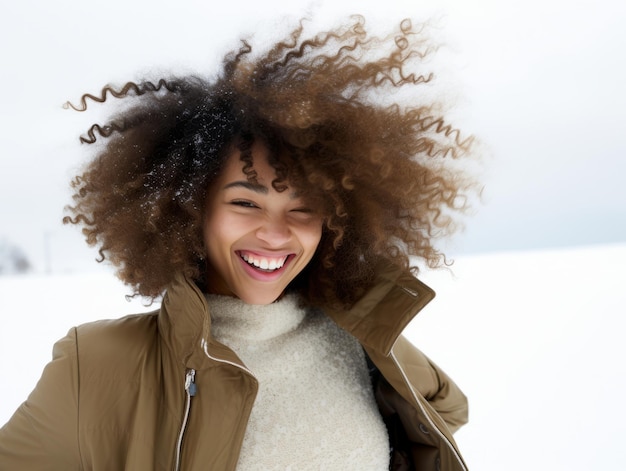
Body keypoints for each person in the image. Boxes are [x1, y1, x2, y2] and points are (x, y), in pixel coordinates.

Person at [0, 15, 475, 470]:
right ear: (189, 207)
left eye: (303, 208)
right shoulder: (98, 364)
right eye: (246, 203)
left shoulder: (355, 334)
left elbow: (442, 411)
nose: (274, 232)